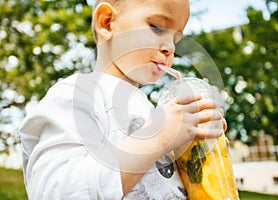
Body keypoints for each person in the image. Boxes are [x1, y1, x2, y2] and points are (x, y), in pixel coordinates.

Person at [20, 0, 227, 199]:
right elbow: (54, 191)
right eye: (157, 27)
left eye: (176, 40)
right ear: (107, 22)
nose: (170, 48)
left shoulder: (150, 111)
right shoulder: (77, 94)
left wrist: (197, 149)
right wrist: (158, 137)